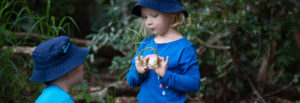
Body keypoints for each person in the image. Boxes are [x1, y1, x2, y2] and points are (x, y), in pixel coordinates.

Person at [126, 0, 201, 102]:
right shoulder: (145, 45)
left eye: (154, 15)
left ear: (172, 14)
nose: (148, 21)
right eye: (145, 17)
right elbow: (131, 81)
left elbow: (194, 84)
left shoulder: (184, 48)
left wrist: (166, 75)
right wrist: (138, 72)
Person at [29, 36, 89, 103]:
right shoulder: (63, 100)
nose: (82, 65)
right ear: (67, 70)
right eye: (78, 61)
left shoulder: (49, 96)